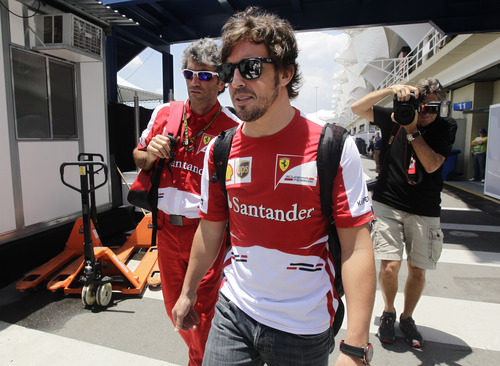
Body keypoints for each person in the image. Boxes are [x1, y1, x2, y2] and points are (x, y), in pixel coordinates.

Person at [172, 7, 376, 366]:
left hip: (304, 326)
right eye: (228, 71)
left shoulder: (333, 146)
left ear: (285, 73)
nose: (236, 81)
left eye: (250, 68)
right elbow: (210, 228)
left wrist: (356, 346)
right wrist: (188, 291)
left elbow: (357, 248)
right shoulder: (219, 151)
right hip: (232, 312)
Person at [132, 38, 240, 366]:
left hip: (205, 235)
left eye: (204, 76)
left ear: (221, 82)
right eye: (189, 74)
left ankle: (201, 360)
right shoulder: (166, 113)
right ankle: (199, 357)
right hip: (165, 231)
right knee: (173, 308)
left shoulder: (234, 129)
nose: (195, 82)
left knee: (201, 314)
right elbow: (137, 157)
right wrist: (149, 153)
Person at [351, 78, 457, 348]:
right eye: (424, 106)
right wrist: (390, 91)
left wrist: (412, 131)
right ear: (415, 103)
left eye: (435, 107)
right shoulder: (396, 116)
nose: (428, 113)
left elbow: (433, 165)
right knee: (389, 266)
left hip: (426, 208)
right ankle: (388, 311)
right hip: (388, 202)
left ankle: (407, 318)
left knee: (418, 271)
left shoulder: (445, 127)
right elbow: (357, 108)